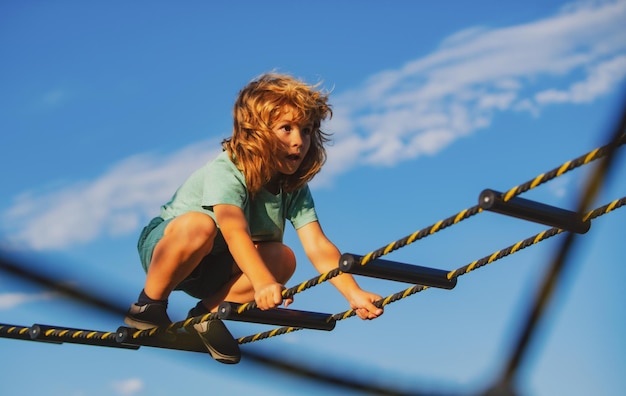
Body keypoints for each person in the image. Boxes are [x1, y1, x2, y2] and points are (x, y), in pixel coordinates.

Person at [125, 72, 384, 364]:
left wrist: (353, 293)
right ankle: (148, 305)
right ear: (256, 132)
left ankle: (206, 316)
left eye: (307, 130)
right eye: (286, 128)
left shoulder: (293, 187)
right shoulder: (229, 170)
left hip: (220, 269)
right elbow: (234, 229)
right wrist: (262, 283)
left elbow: (317, 245)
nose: (299, 141)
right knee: (201, 225)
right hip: (172, 249)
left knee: (283, 257)